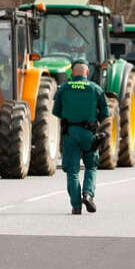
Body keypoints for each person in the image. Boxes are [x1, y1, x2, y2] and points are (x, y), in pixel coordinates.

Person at [54, 58, 109, 214]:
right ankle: (88, 194)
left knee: (73, 171)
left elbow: (56, 111)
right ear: (87, 72)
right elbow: (105, 113)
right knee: (91, 166)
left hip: (70, 134)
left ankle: (76, 206)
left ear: (72, 72)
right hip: (89, 135)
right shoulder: (95, 89)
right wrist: (94, 123)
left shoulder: (64, 88)